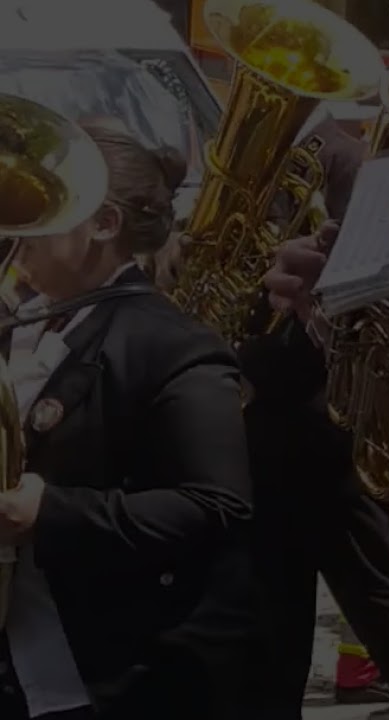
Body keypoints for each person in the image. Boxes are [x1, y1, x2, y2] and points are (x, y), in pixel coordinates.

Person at [0, 121, 255, 720]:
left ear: (105, 224)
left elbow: (218, 506)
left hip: (110, 672)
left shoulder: (173, 343)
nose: (17, 222)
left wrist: (49, 512)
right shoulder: (29, 317)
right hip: (25, 651)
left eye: (43, 202)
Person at [239, 116, 389, 716]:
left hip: (317, 417)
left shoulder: (336, 155)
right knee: (336, 587)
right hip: (297, 417)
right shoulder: (321, 153)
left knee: (355, 586)